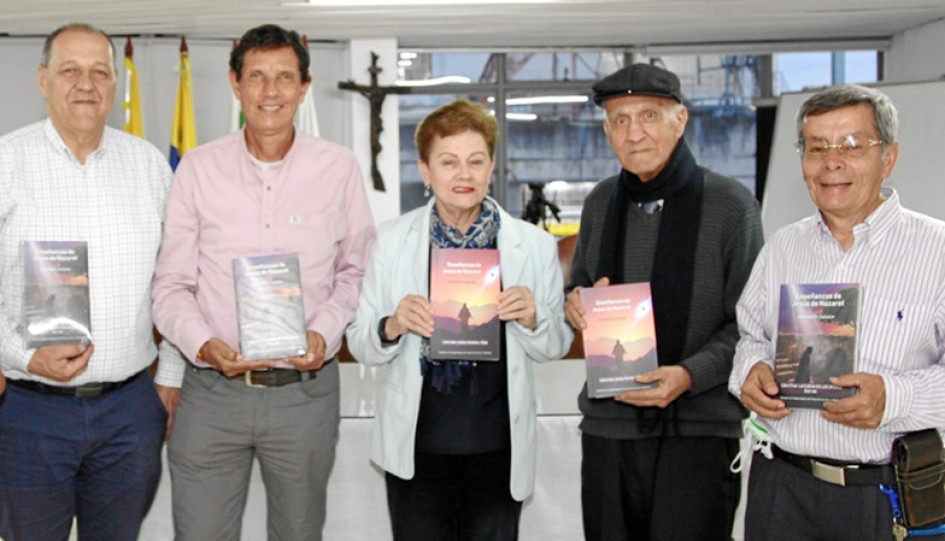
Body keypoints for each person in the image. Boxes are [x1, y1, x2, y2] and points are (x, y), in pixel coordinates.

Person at [150, 24, 375, 541]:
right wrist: (203, 344)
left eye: (284, 77)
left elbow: (356, 271)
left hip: (305, 395)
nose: (270, 91)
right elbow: (170, 285)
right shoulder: (197, 171)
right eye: (257, 76)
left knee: (298, 534)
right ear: (235, 84)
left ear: (304, 86)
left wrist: (324, 331)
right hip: (213, 392)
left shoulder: (338, 169)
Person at [346, 99, 572, 541]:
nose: (463, 175)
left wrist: (534, 318)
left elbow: (557, 345)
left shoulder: (533, 245)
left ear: (491, 167)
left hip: (497, 448)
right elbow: (359, 341)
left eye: (475, 161)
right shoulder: (391, 240)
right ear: (426, 171)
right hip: (417, 446)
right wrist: (391, 325)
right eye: (448, 162)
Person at [730, 84, 945, 540]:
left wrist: (895, 398)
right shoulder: (782, 248)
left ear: (888, 156)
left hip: (887, 494)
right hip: (781, 488)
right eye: (817, 147)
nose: (832, 162)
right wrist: (751, 372)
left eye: (851, 145)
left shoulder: (938, 250)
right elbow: (750, 338)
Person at [564, 63, 763, 541]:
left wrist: (690, 374)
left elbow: (753, 326)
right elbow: (584, 292)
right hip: (609, 427)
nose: (634, 134)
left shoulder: (731, 205)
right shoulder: (599, 202)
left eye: (649, 116)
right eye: (620, 120)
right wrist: (575, 306)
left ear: (681, 119)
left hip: (697, 429)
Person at [0, 23, 173, 540]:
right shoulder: (5, 162)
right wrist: (21, 355)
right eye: (69, 70)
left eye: (99, 72)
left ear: (115, 84)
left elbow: (180, 279)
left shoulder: (149, 166)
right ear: (42, 79)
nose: (86, 84)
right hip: (29, 411)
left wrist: (172, 378)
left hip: (129, 411)